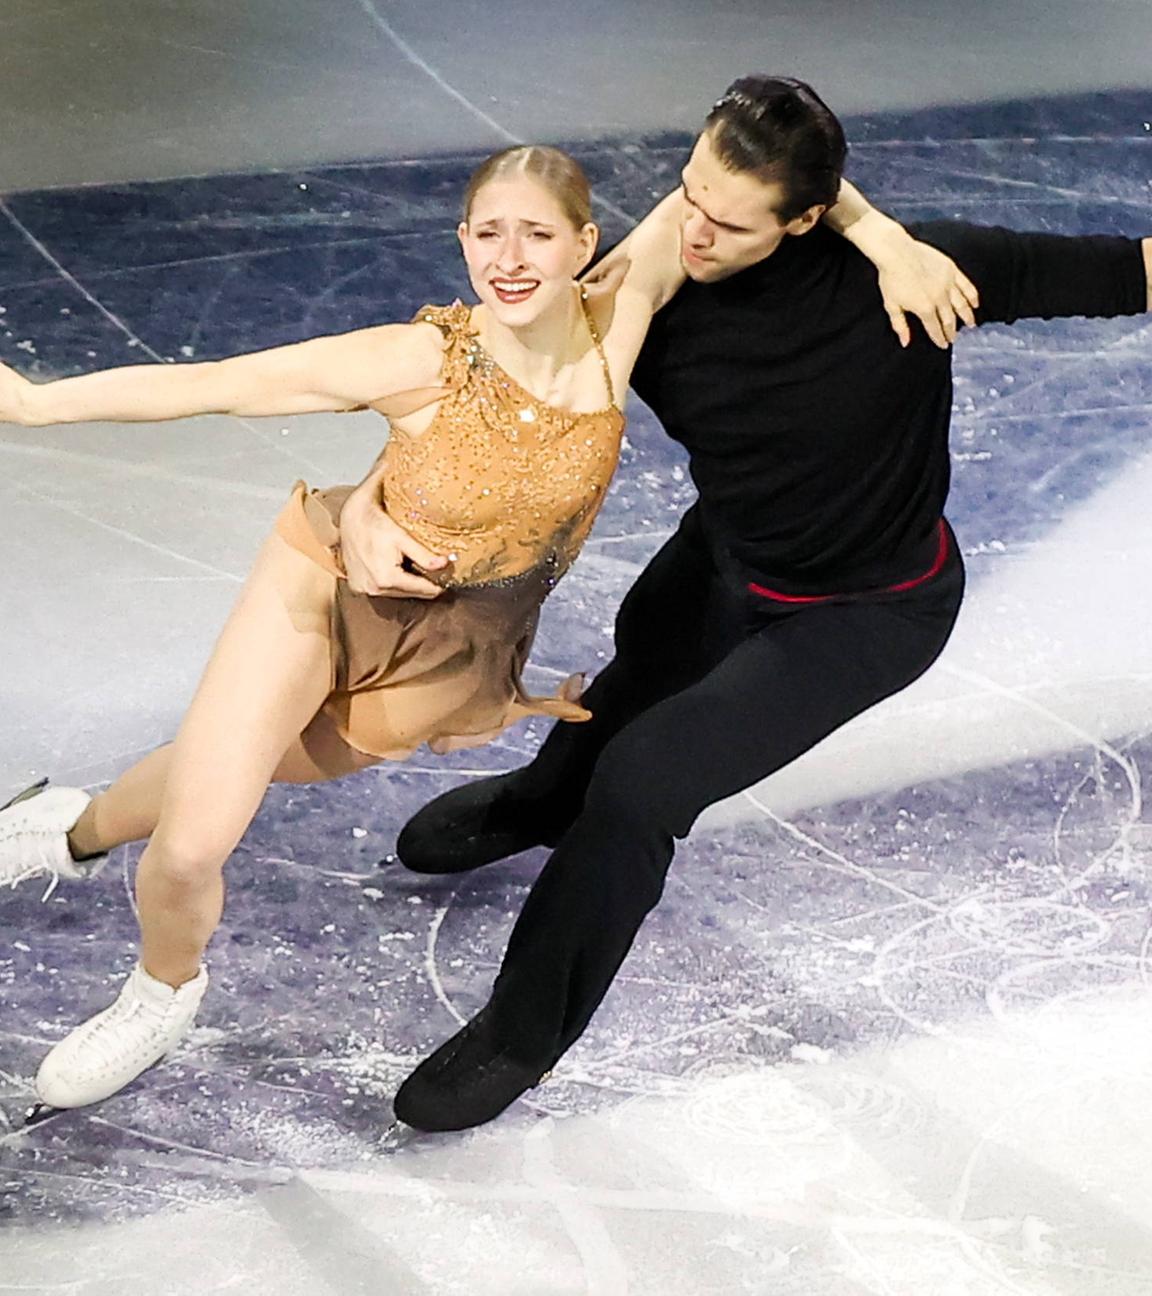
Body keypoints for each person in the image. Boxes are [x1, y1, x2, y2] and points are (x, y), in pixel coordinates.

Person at [0, 141, 956, 1112]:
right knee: (197, 842)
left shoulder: (617, 323)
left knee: (225, 767)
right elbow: (211, 384)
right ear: (462, 243)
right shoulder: (423, 357)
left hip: (449, 664)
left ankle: (66, 826)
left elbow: (762, 147)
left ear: (586, 242)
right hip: (326, 591)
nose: (510, 256)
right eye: (488, 233)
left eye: (536, 234)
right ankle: (163, 991)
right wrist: (34, 405)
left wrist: (884, 239)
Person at [364, 77, 1152, 1133]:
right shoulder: (649, 298)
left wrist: (886, 238)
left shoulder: (920, 278)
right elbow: (476, 399)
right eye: (686, 194)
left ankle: (519, 1035)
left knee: (645, 786)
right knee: (637, 668)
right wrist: (374, 506)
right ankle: (542, 805)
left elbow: (1127, 272)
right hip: (730, 557)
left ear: (806, 218)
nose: (693, 228)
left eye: (728, 220)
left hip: (870, 610)